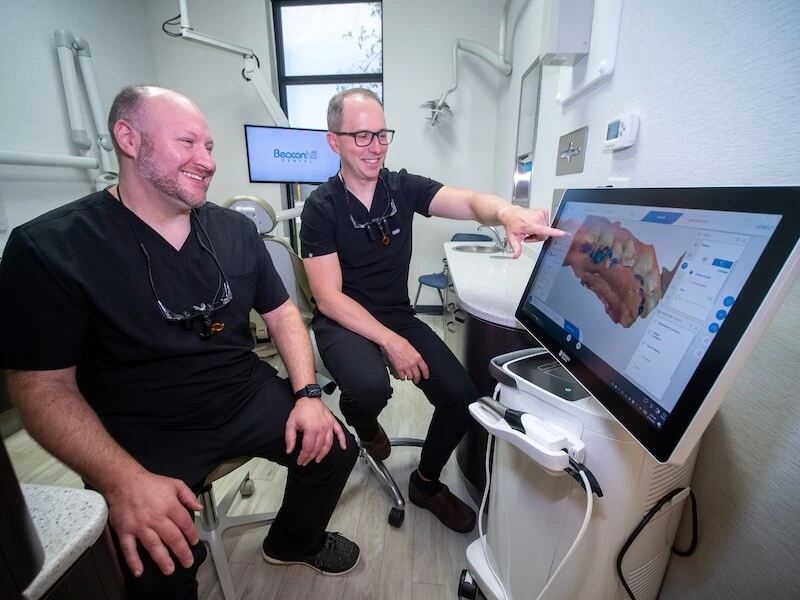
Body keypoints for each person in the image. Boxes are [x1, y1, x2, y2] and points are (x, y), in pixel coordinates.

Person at [0, 85, 360, 600]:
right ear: (128, 138)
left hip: (240, 391)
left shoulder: (234, 231)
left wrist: (306, 395)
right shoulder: (52, 248)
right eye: (188, 143)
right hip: (139, 426)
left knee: (334, 450)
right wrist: (122, 481)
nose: (206, 161)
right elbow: (42, 388)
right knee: (155, 568)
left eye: (209, 146)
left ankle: (292, 541)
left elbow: (282, 314)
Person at [300, 88, 566, 533]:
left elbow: (466, 202)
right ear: (335, 141)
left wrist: (506, 212)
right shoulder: (320, 208)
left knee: (463, 399)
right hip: (342, 318)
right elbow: (328, 298)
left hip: (396, 314)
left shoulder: (401, 188)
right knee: (369, 389)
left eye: (382, 134)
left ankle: (425, 484)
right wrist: (392, 343)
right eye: (362, 136)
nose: (376, 146)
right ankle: (364, 425)